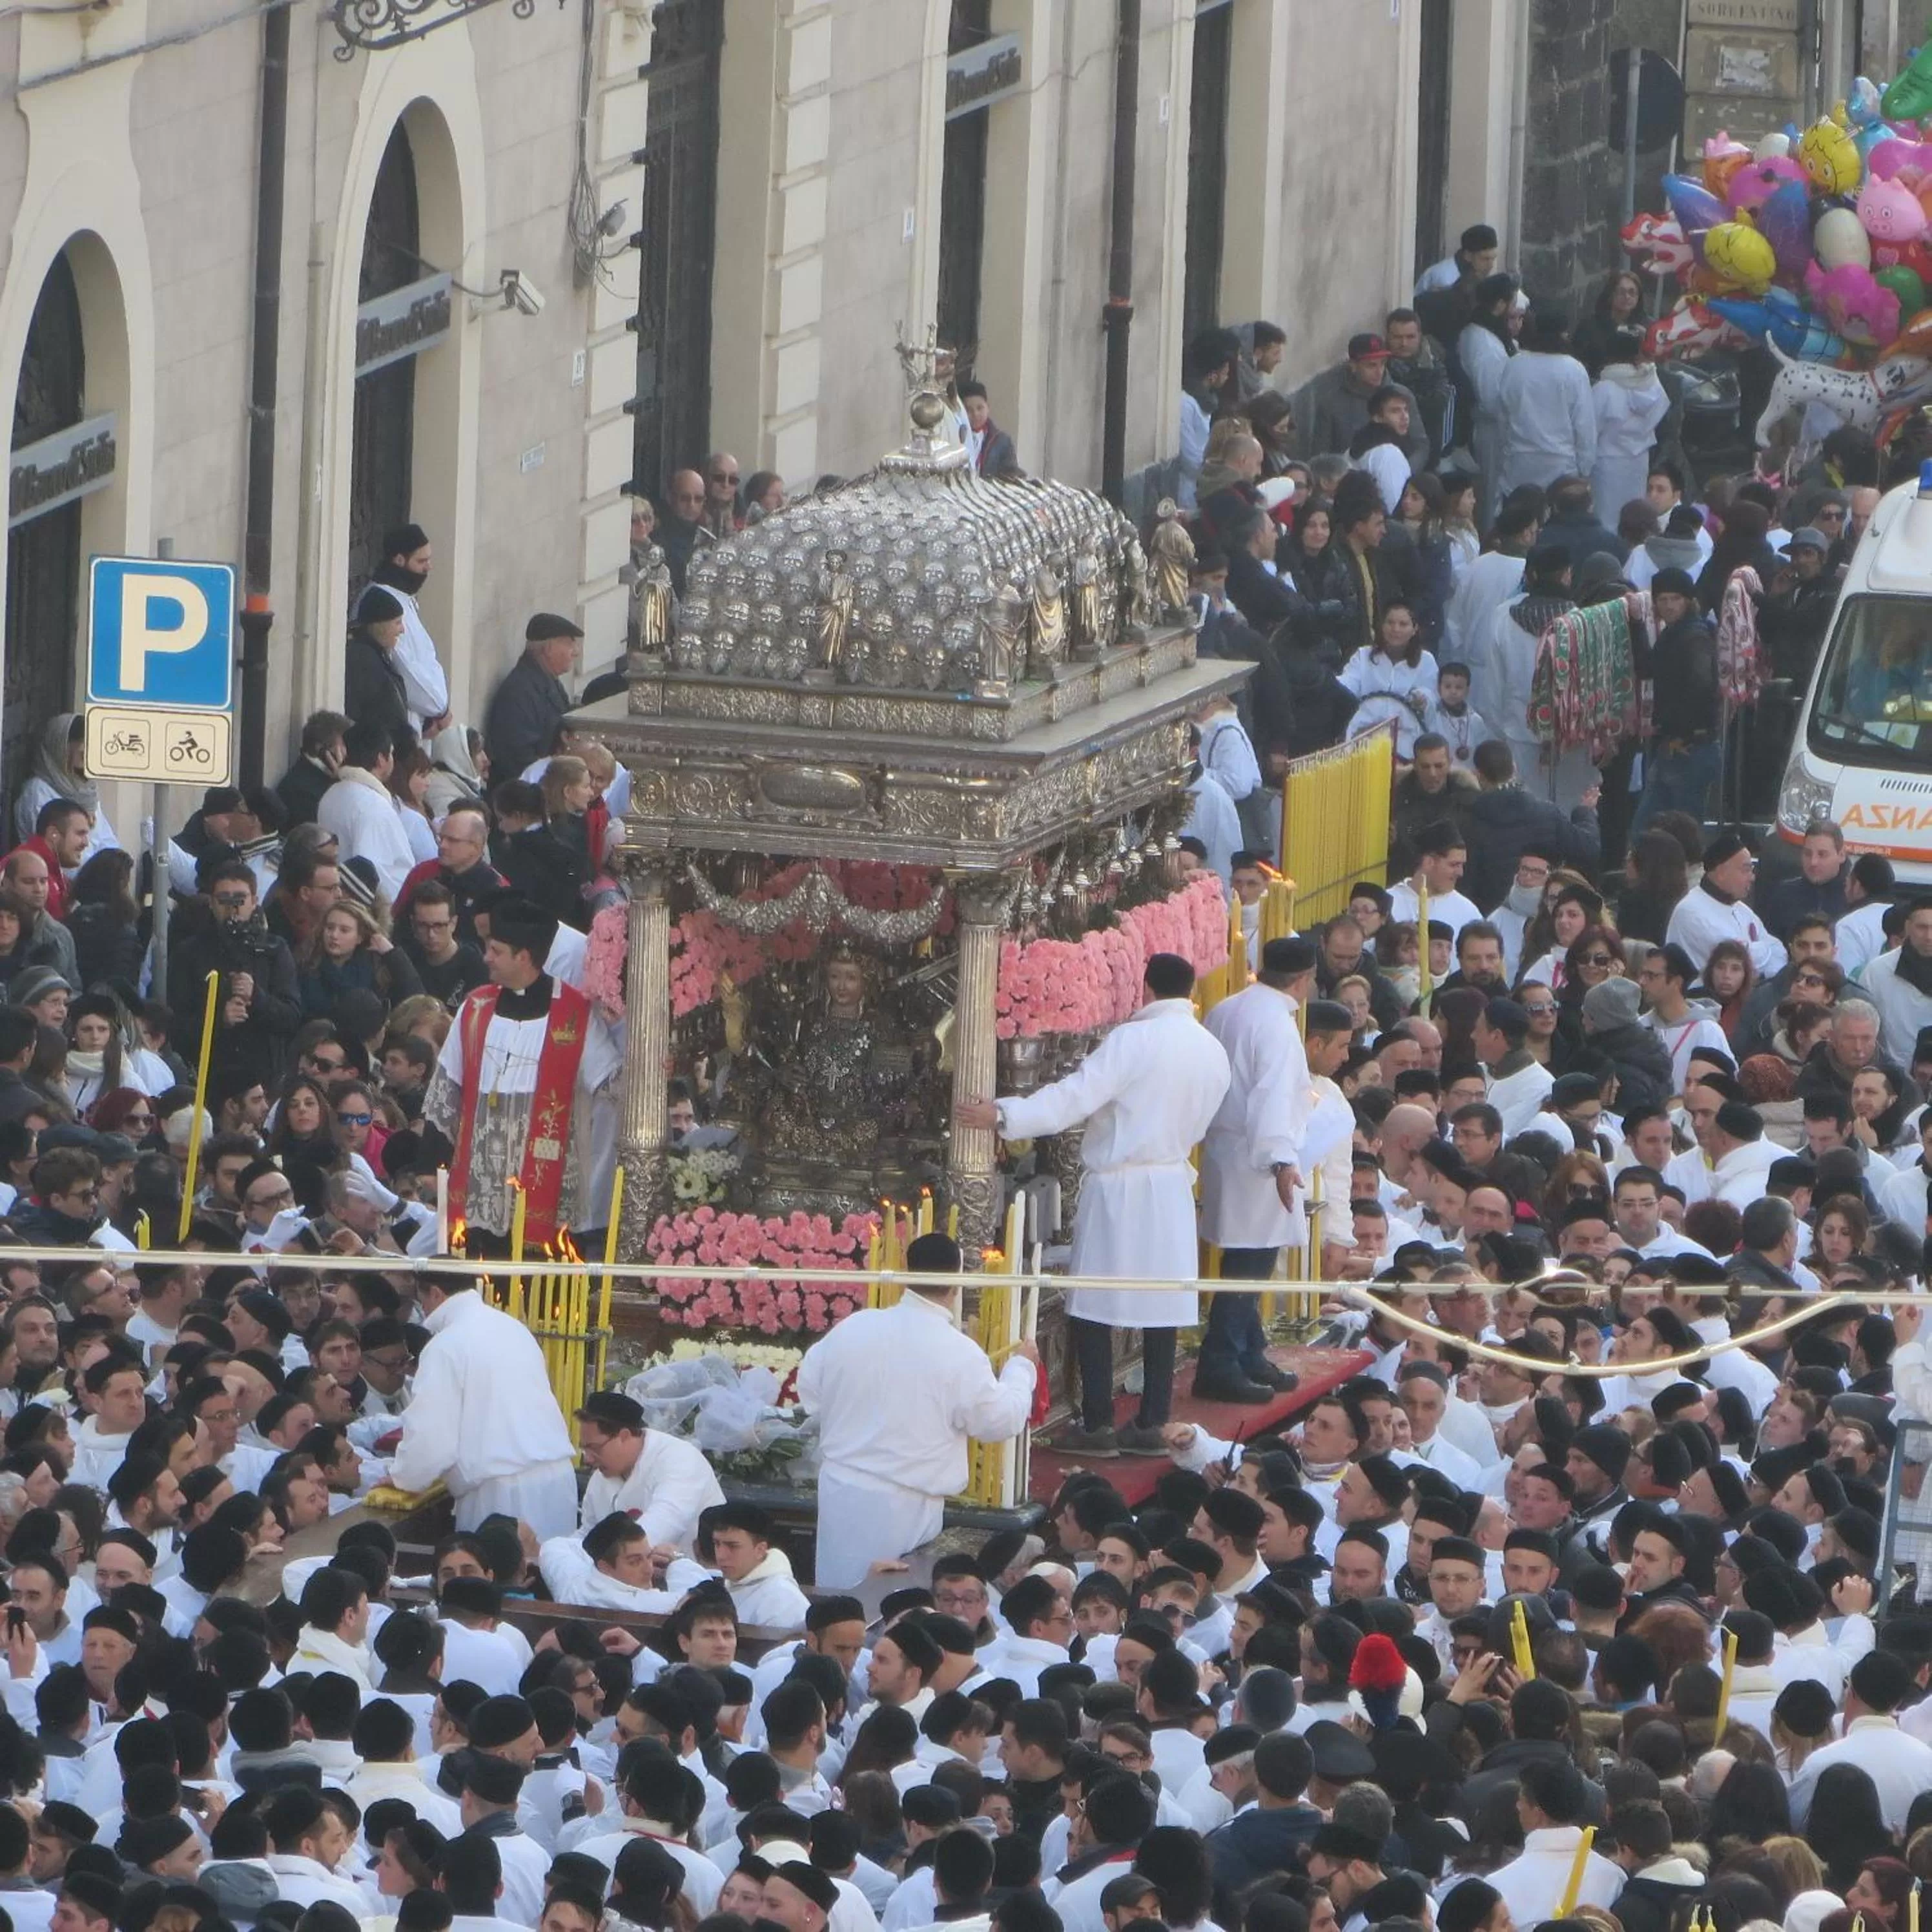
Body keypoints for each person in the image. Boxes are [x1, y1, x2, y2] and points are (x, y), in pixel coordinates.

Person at [956, 954, 1229, 1455]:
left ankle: (1098, 1421)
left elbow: (1073, 1098)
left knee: (1092, 1304)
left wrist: (1002, 1114)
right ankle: (1153, 1421)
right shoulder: (1211, 1049)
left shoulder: (1133, 1040)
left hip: (1121, 1185)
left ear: (1145, 988)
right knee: (1160, 1306)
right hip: (1170, 1184)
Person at [797, 1231, 1038, 1586]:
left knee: (839, 1601)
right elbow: (999, 1421)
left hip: (842, 1492)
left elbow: (810, 1390)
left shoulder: (854, 1328)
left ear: (907, 1273)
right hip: (903, 1503)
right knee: (890, 1609)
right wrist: (1021, 1369)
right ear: (956, 1283)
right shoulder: (958, 1351)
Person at [424, 896, 621, 1255]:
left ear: (524, 957)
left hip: (546, 1186)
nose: (486, 958)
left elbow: (610, 1085)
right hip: (478, 1188)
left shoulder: (575, 1014)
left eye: (496, 951)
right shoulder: (475, 1007)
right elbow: (446, 1088)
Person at [1197, 942, 1333, 1402]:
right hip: (1257, 1156)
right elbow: (1273, 1097)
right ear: (1305, 977)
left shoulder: (1227, 1008)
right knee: (1249, 1266)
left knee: (1248, 1259)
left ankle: (1250, 1351)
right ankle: (1220, 1361)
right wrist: (1280, 1160)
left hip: (1226, 1148)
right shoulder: (1276, 1024)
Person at [387, 1266, 578, 1536]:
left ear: (437, 1294)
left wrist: (404, 1477)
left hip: (501, 1492)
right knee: (553, 1572)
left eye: (423, 1300)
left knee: (499, 1575)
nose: (424, 1310)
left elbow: (431, 1437)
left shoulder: (445, 1345)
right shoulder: (514, 1328)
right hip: (557, 1480)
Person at [355, 522, 451, 735]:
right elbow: (404, 666)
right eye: (421, 561)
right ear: (399, 560)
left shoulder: (403, 597)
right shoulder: (383, 603)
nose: (429, 567)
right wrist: (439, 709)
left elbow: (426, 658)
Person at [1495, 307, 1595, 498]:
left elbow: (1503, 415)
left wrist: (1507, 451)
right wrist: (1585, 467)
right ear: (1564, 334)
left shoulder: (1516, 365)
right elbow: (1584, 425)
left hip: (1520, 461)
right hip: (1560, 465)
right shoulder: (1574, 370)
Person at [484, 613, 584, 781]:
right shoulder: (520, 691)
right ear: (548, 649)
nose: (576, 652)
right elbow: (519, 758)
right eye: (569, 644)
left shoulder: (546, 681)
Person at [1589, 329, 1669, 517]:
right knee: (1633, 515)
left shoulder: (1604, 388)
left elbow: (1589, 430)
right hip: (1639, 461)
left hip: (1606, 463)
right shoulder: (1653, 384)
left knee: (1606, 516)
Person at [343, 588, 414, 742]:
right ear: (380, 626)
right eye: (397, 623)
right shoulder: (362, 660)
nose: (402, 630)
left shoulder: (377, 656)